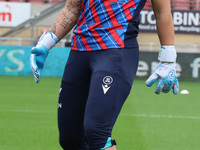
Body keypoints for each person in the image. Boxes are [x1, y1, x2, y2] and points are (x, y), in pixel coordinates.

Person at [30, 0, 179, 149]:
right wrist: (46, 43)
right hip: (79, 51)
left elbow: (162, 12)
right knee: (71, 139)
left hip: (116, 51)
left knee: (97, 133)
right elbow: (72, 8)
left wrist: (168, 59)